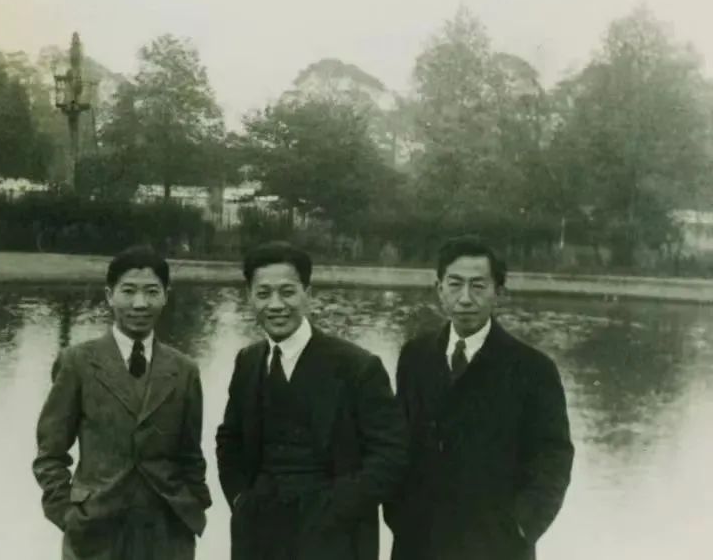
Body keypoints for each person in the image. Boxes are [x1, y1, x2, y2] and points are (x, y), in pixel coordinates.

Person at [385, 235, 574, 560]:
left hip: (496, 545)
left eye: (478, 286)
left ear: (498, 292)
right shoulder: (415, 356)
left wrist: (522, 526)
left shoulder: (533, 368)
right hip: (419, 540)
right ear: (439, 289)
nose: (465, 298)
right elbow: (397, 440)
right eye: (455, 284)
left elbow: (553, 457)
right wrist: (398, 512)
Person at [216, 241, 407, 560]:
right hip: (258, 538)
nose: (275, 305)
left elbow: (390, 455)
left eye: (287, 292)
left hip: (335, 540)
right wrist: (240, 500)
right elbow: (229, 439)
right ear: (249, 296)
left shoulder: (358, 367)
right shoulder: (247, 361)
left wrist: (339, 509)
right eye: (263, 293)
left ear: (308, 293)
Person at [33, 245, 211, 560]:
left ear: (165, 296)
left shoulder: (184, 370)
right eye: (128, 291)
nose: (140, 303)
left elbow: (191, 457)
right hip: (94, 535)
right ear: (109, 295)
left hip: (167, 535)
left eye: (151, 292)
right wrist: (69, 516)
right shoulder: (77, 362)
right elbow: (50, 455)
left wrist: (192, 507)